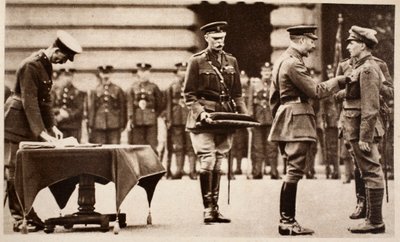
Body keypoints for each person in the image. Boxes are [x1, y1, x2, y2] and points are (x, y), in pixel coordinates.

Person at [268, 25, 349, 235]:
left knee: (292, 169)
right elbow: (316, 91)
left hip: (287, 118)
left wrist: (281, 118)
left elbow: (273, 99)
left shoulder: (281, 61)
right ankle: (287, 221)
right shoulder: (294, 64)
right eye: (311, 40)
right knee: (294, 171)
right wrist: (341, 80)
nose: (313, 45)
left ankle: (287, 220)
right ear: (302, 40)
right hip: (297, 119)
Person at [4, 30, 82, 232]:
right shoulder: (32, 65)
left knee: (30, 167)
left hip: (31, 120)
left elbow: (45, 101)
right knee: (16, 169)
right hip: (18, 122)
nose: (63, 63)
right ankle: (20, 217)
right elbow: (30, 102)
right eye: (62, 58)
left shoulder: (45, 65)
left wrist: (52, 126)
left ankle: (28, 212)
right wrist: (41, 133)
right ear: (55, 50)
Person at [183, 21, 248, 224]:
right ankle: (207, 209)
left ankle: (215, 208)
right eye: (215, 38)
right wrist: (200, 113)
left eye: (222, 38)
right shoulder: (196, 62)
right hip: (204, 119)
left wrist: (243, 116)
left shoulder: (231, 61)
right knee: (208, 160)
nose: (220, 42)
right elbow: (189, 94)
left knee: (219, 161)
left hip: (225, 117)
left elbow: (237, 93)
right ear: (207, 38)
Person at [335, 26, 390, 234]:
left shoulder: (367, 68)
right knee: (367, 171)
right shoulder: (359, 66)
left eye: (352, 43)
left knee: (371, 171)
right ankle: (371, 218)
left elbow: (370, 105)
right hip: (354, 125)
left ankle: (375, 221)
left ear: (363, 46)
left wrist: (365, 136)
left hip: (361, 128)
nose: (349, 46)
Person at [165, 62, 197, 179]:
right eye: (181, 71)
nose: (183, 73)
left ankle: (193, 171)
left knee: (191, 146)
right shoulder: (172, 86)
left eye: (185, 70)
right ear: (177, 73)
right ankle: (179, 170)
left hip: (190, 119)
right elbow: (168, 104)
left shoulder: (195, 86)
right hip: (177, 119)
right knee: (178, 146)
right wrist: (169, 119)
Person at [248, 62, 280, 179]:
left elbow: (278, 103)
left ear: (271, 72)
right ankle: (257, 172)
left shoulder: (275, 85)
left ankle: (273, 171)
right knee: (257, 147)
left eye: (269, 71)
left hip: (271, 120)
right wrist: (250, 118)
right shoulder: (254, 85)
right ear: (261, 72)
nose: (267, 74)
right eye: (264, 72)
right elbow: (250, 103)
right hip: (257, 120)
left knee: (272, 147)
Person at [126, 63, 164, 154]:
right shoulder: (132, 87)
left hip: (151, 121)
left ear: (149, 73)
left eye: (145, 72)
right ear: (138, 73)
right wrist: (131, 118)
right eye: (141, 72)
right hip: (137, 121)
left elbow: (160, 104)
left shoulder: (154, 87)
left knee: (151, 146)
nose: (143, 74)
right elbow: (130, 104)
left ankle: (153, 168)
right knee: (138, 146)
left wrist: (153, 115)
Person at [88, 65, 127, 144]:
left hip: (114, 125)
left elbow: (122, 108)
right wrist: (91, 125)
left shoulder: (117, 89)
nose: (105, 76)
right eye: (103, 73)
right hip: (99, 125)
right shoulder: (95, 90)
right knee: (100, 150)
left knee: (114, 149)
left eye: (107, 73)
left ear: (111, 74)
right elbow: (92, 108)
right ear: (100, 74)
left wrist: (122, 124)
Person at [51, 68, 86, 142]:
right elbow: (50, 107)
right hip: (59, 125)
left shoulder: (77, 92)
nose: (67, 78)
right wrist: (59, 111)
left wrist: (67, 114)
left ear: (72, 77)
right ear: (62, 77)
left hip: (73, 126)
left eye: (69, 76)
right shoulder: (56, 92)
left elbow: (79, 109)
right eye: (65, 75)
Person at [231, 70, 250, 177]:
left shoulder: (249, 90)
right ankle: (231, 170)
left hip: (243, 120)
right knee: (232, 146)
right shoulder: (232, 89)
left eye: (244, 77)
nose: (243, 80)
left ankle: (238, 168)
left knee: (240, 146)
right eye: (240, 78)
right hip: (233, 120)